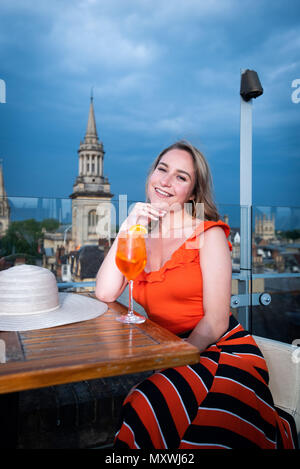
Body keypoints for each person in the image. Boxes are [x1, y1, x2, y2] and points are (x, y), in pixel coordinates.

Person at [95, 141, 298, 449]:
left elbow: (216, 322)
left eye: (181, 176)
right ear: (151, 175)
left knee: (150, 402)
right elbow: (105, 290)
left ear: (192, 192)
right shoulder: (141, 239)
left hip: (222, 351)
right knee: (149, 402)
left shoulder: (208, 234)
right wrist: (127, 225)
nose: (165, 181)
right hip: (178, 352)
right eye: (162, 170)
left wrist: (174, 361)